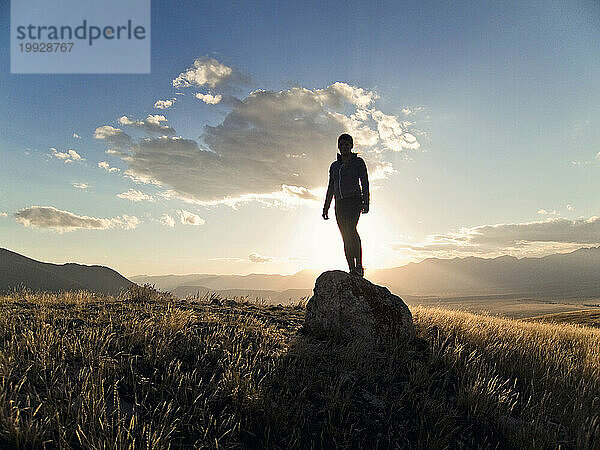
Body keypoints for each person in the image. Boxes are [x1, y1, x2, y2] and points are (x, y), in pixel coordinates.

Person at [322, 133, 369, 277]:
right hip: (340, 204)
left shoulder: (358, 162)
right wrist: (326, 207)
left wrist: (366, 203)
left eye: (347, 144)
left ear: (351, 146)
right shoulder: (334, 166)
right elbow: (331, 187)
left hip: (354, 201)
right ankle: (351, 268)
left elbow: (365, 183)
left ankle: (359, 265)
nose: (344, 147)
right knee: (345, 236)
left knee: (351, 230)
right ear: (338, 146)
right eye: (341, 145)